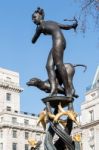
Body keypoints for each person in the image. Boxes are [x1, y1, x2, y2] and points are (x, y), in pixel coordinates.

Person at [32, 7, 78, 97]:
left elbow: (33, 40)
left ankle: (68, 89)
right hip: (59, 42)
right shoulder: (51, 22)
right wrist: (72, 26)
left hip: (58, 41)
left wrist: (37, 32)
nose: (33, 20)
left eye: (34, 17)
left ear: (40, 16)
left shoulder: (40, 27)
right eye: (32, 18)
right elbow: (64, 26)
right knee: (48, 66)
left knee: (59, 64)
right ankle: (53, 89)